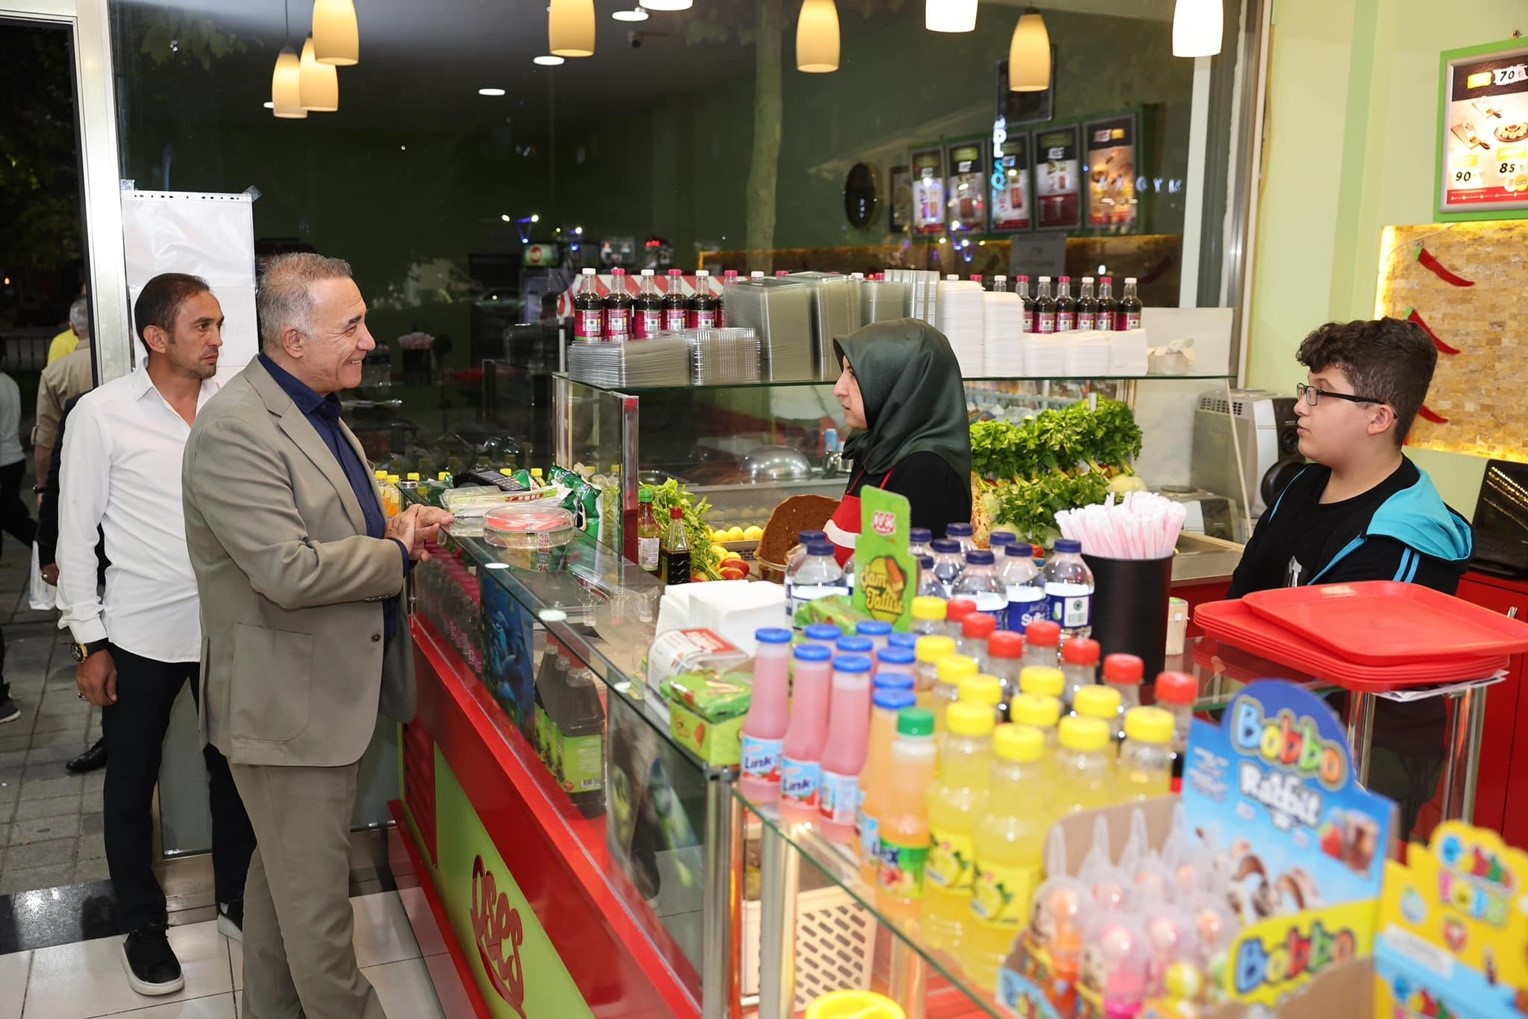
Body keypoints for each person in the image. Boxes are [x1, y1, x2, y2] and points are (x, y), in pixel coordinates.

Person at [182, 252, 451, 1017]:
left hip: (319, 700)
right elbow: (288, 570)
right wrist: (396, 554)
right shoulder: (237, 429)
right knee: (322, 926)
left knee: (283, 890)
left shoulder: (312, 408)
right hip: (287, 714)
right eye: (352, 325)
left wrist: (394, 526)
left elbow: (328, 526)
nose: (370, 339)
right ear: (294, 339)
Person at [58, 272, 256, 997]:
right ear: (156, 336)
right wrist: (90, 642)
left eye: (219, 324)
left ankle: (237, 897)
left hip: (228, 626)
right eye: (203, 325)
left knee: (235, 769)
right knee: (131, 784)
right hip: (139, 634)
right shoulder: (102, 414)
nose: (217, 339)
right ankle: (143, 925)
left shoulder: (234, 407)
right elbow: (75, 535)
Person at [1226, 317, 1473, 832]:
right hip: (1273, 726)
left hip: (1365, 757)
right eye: (1306, 389)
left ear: (1378, 418)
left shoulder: (1403, 534)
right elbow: (1242, 597)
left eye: (1320, 393)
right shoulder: (1301, 485)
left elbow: (1345, 677)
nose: (1301, 407)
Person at [824, 318, 972, 558]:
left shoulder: (926, 471)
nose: (838, 389)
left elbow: (904, 572)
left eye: (853, 374)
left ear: (899, 384)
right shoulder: (875, 449)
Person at [36, 393, 109, 773]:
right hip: (104, 565)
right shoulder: (88, 407)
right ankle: (111, 738)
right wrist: (48, 551)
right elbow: (59, 487)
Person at [0, 342, 38, 725]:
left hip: (2, 462)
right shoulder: (10, 383)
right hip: (12, 459)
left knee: (15, 519)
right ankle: (43, 541)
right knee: (15, 519)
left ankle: (45, 543)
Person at [34, 296, 96, 488]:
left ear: (73, 328)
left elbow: (45, 439)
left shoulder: (54, 374)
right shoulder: (131, 363)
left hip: (74, 474)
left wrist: (42, 487)